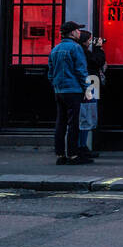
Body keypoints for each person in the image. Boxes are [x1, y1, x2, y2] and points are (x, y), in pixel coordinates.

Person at [47, 22, 90, 165]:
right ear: (72, 33)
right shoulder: (76, 48)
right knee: (73, 123)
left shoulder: (55, 49)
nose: (79, 32)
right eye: (78, 30)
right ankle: (72, 154)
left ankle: (60, 154)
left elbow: (51, 73)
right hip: (73, 90)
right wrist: (87, 89)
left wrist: (56, 85)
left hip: (59, 91)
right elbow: (81, 71)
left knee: (61, 122)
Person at [78, 30, 106, 157]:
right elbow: (97, 62)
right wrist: (99, 48)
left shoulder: (83, 51)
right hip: (90, 82)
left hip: (90, 82)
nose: (91, 42)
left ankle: (82, 145)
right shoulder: (83, 52)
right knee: (87, 114)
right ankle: (81, 146)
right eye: (89, 40)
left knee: (87, 115)